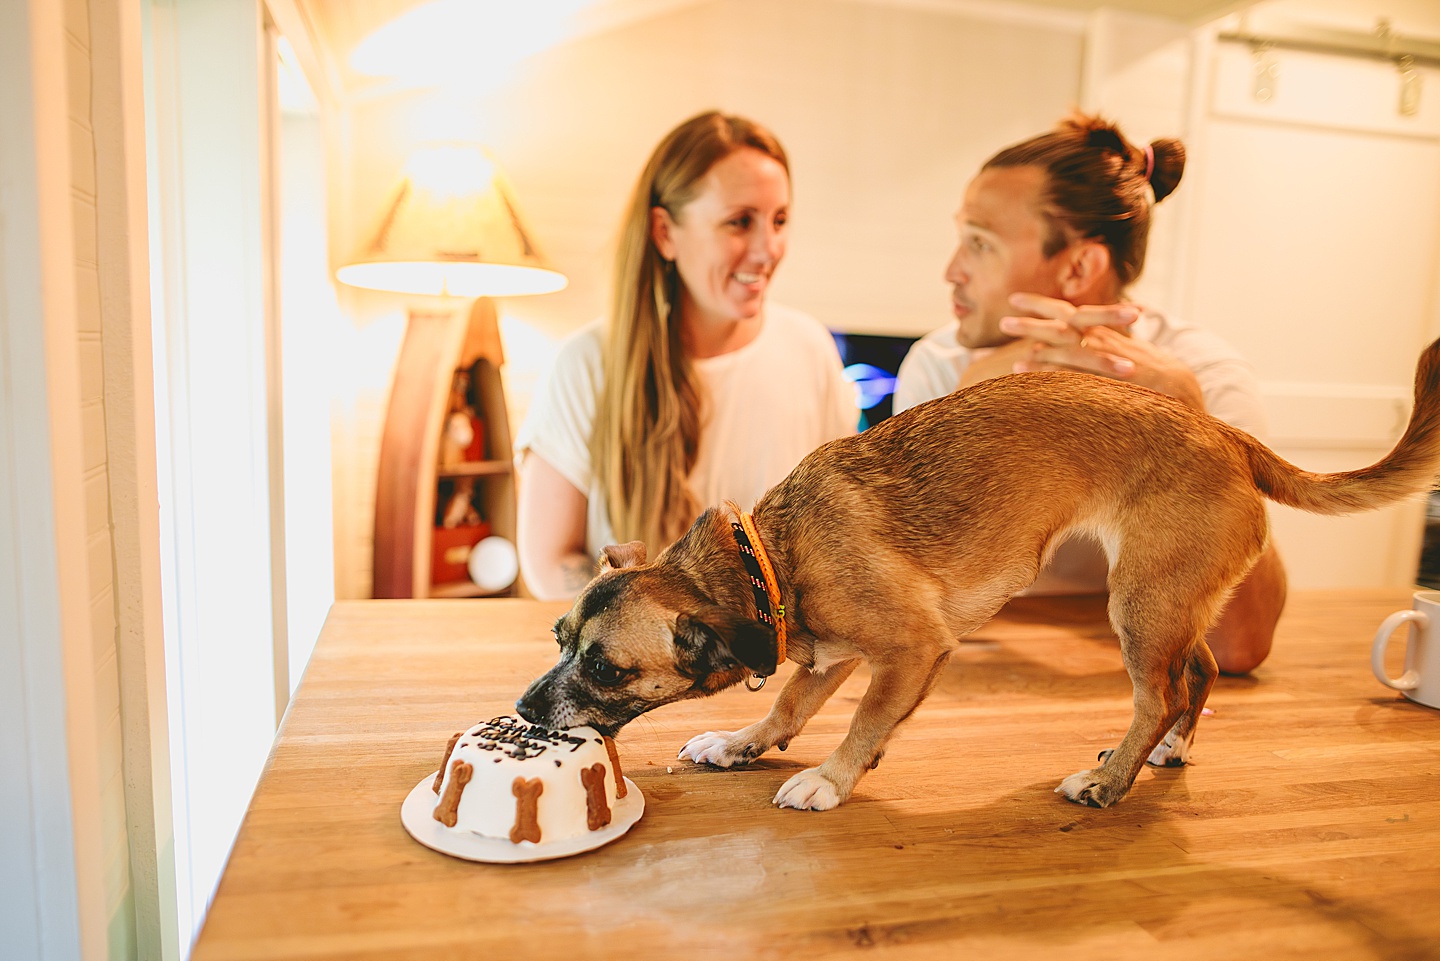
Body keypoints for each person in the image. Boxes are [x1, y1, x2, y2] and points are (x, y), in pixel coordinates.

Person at [894, 112, 1287, 674]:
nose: (951, 271)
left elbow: (1240, 646)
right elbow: (901, 607)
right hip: (968, 682)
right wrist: (963, 414)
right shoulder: (943, 369)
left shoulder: (1206, 377)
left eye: (980, 244)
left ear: (1079, 266)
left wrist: (1193, 430)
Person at [515, 111, 857, 600]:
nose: (769, 248)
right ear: (664, 233)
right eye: (740, 222)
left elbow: (836, 534)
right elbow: (549, 566)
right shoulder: (585, 365)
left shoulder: (810, 349)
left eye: (779, 220)